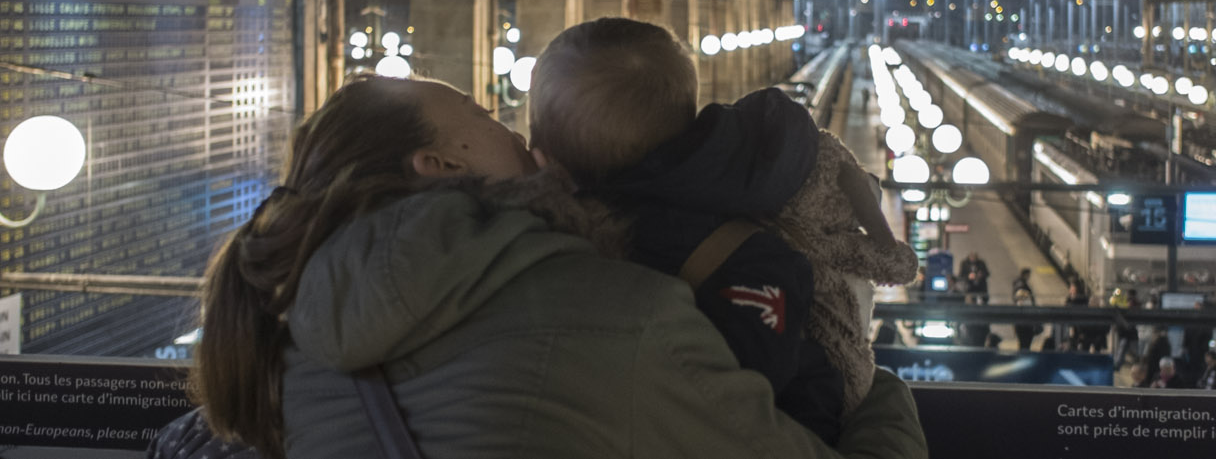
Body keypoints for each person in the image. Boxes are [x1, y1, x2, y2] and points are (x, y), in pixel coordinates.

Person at [184, 75, 925, 459]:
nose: (513, 127)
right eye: (483, 112)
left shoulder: (288, 338)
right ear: (441, 164)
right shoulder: (623, 315)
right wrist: (879, 388)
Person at [526, 18, 871, 440]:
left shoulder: (528, 254)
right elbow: (791, 406)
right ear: (690, 126)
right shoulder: (756, 256)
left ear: (543, 162)